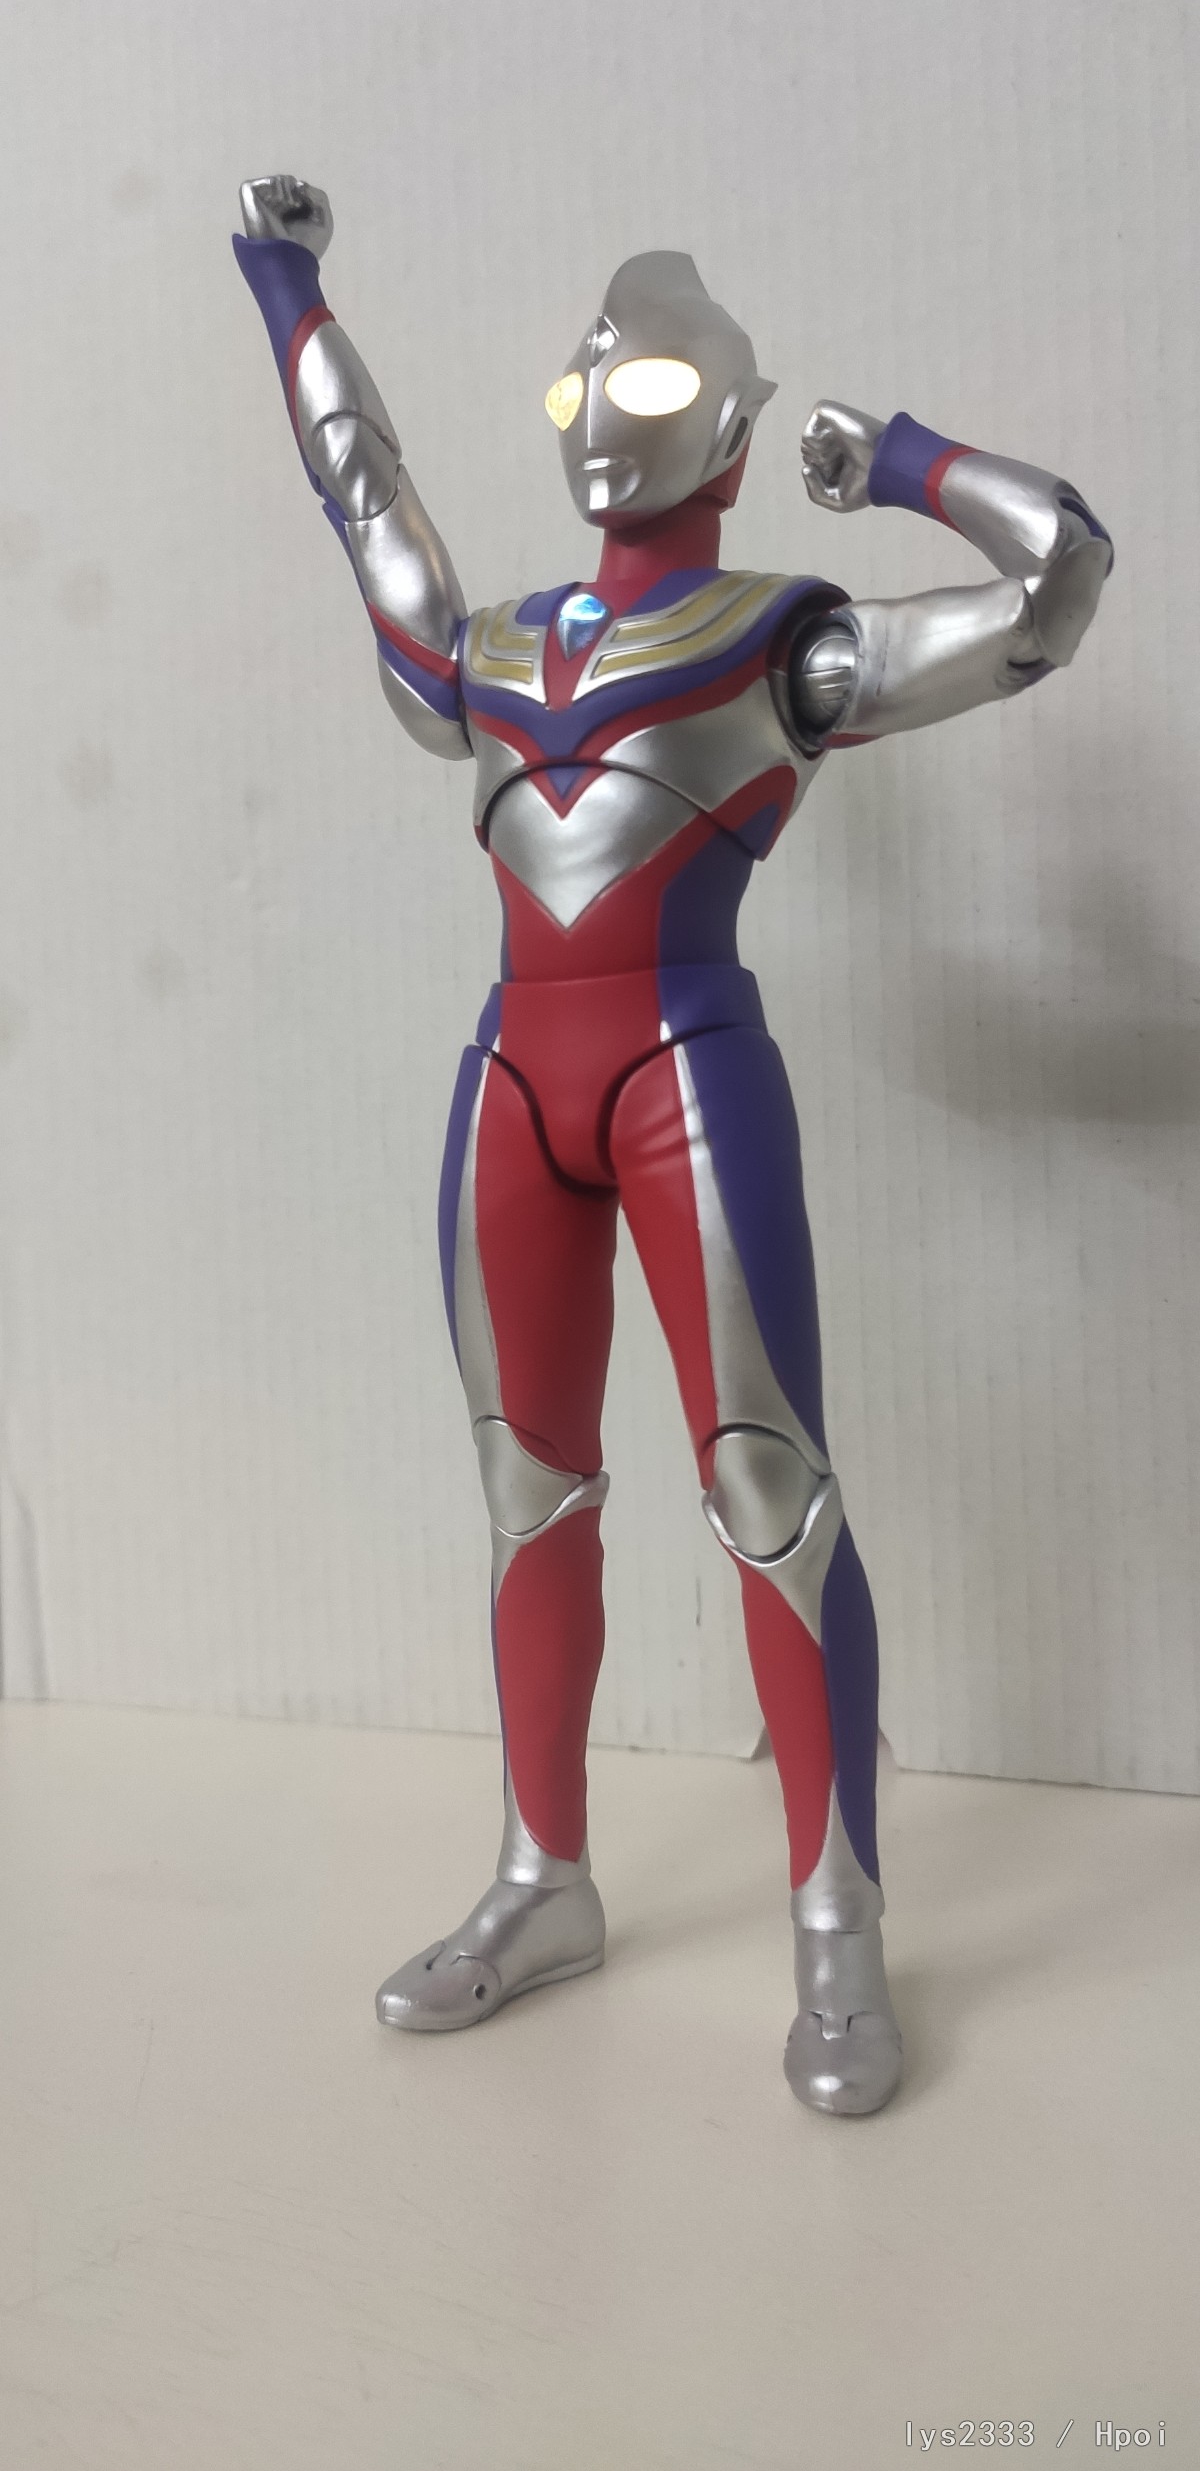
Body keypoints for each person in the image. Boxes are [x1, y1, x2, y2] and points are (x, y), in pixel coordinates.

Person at [235, 177, 1111, 2113]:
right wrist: (287, 283)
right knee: (529, 1495)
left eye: (639, 382)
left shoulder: (781, 645)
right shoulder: (499, 644)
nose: (593, 414)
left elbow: (1060, 582)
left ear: (724, 426)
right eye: (576, 386)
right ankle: (542, 1877)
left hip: (683, 1074)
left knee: (772, 1493)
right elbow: (367, 503)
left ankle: (838, 1927)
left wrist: (900, 459)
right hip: (512, 1084)